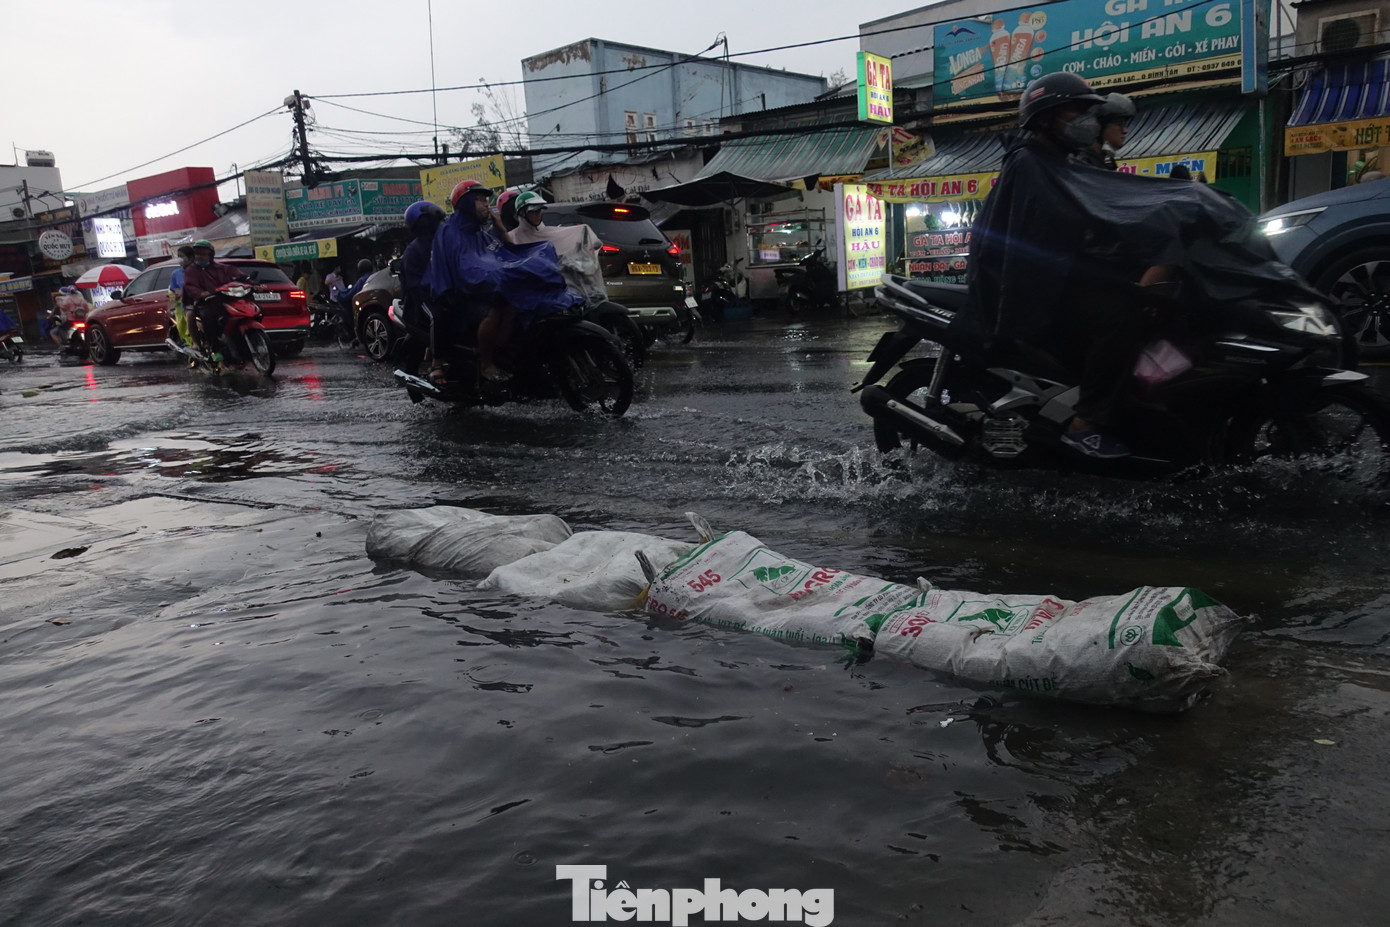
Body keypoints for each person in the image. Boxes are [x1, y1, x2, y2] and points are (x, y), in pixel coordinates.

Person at [959, 72, 1184, 459]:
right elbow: (1067, 223)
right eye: (1076, 111)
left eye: (1087, 112)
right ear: (1047, 118)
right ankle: (1085, 424)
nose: (1086, 120)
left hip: (1059, 275)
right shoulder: (1030, 163)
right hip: (1033, 286)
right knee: (1122, 317)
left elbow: (1107, 203)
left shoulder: (1061, 160)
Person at [423, 179, 582, 382]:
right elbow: (466, 271)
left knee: (519, 302)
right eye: (480, 200)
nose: (485, 205)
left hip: (486, 287)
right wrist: (497, 276)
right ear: (466, 203)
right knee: (493, 312)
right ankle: (486, 364)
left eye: (485, 200)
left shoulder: (479, 233)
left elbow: (505, 255)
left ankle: (505, 354)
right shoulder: (449, 233)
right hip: (463, 294)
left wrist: (502, 233)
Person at [508, 191, 607, 305]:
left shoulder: (552, 234)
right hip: (531, 296)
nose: (537, 214)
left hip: (561, 293)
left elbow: (567, 251)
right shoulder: (512, 238)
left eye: (539, 210)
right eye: (532, 212)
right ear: (522, 213)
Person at [399, 200, 446, 377]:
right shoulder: (414, 250)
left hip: (442, 293)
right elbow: (414, 286)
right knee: (437, 316)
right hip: (420, 300)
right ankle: (437, 363)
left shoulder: (441, 242)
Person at [182, 239, 249, 359]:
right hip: (203, 303)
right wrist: (201, 293)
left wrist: (252, 284)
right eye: (197, 254)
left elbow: (240, 277)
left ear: (210, 255)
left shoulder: (223, 268)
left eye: (203, 254)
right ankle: (215, 349)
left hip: (225, 300)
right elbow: (190, 287)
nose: (200, 257)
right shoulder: (190, 271)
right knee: (208, 318)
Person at [1081, 92, 1134, 170]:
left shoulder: (1098, 163)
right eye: (1119, 123)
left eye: (1125, 124)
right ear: (1097, 126)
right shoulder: (1084, 166)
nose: (1125, 131)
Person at [168, 246, 195, 344]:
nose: (179, 259)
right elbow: (175, 290)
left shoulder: (199, 271)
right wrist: (176, 295)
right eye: (178, 256)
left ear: (191, 258)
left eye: (182, 256)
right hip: (185, 306)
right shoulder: (176, 274)